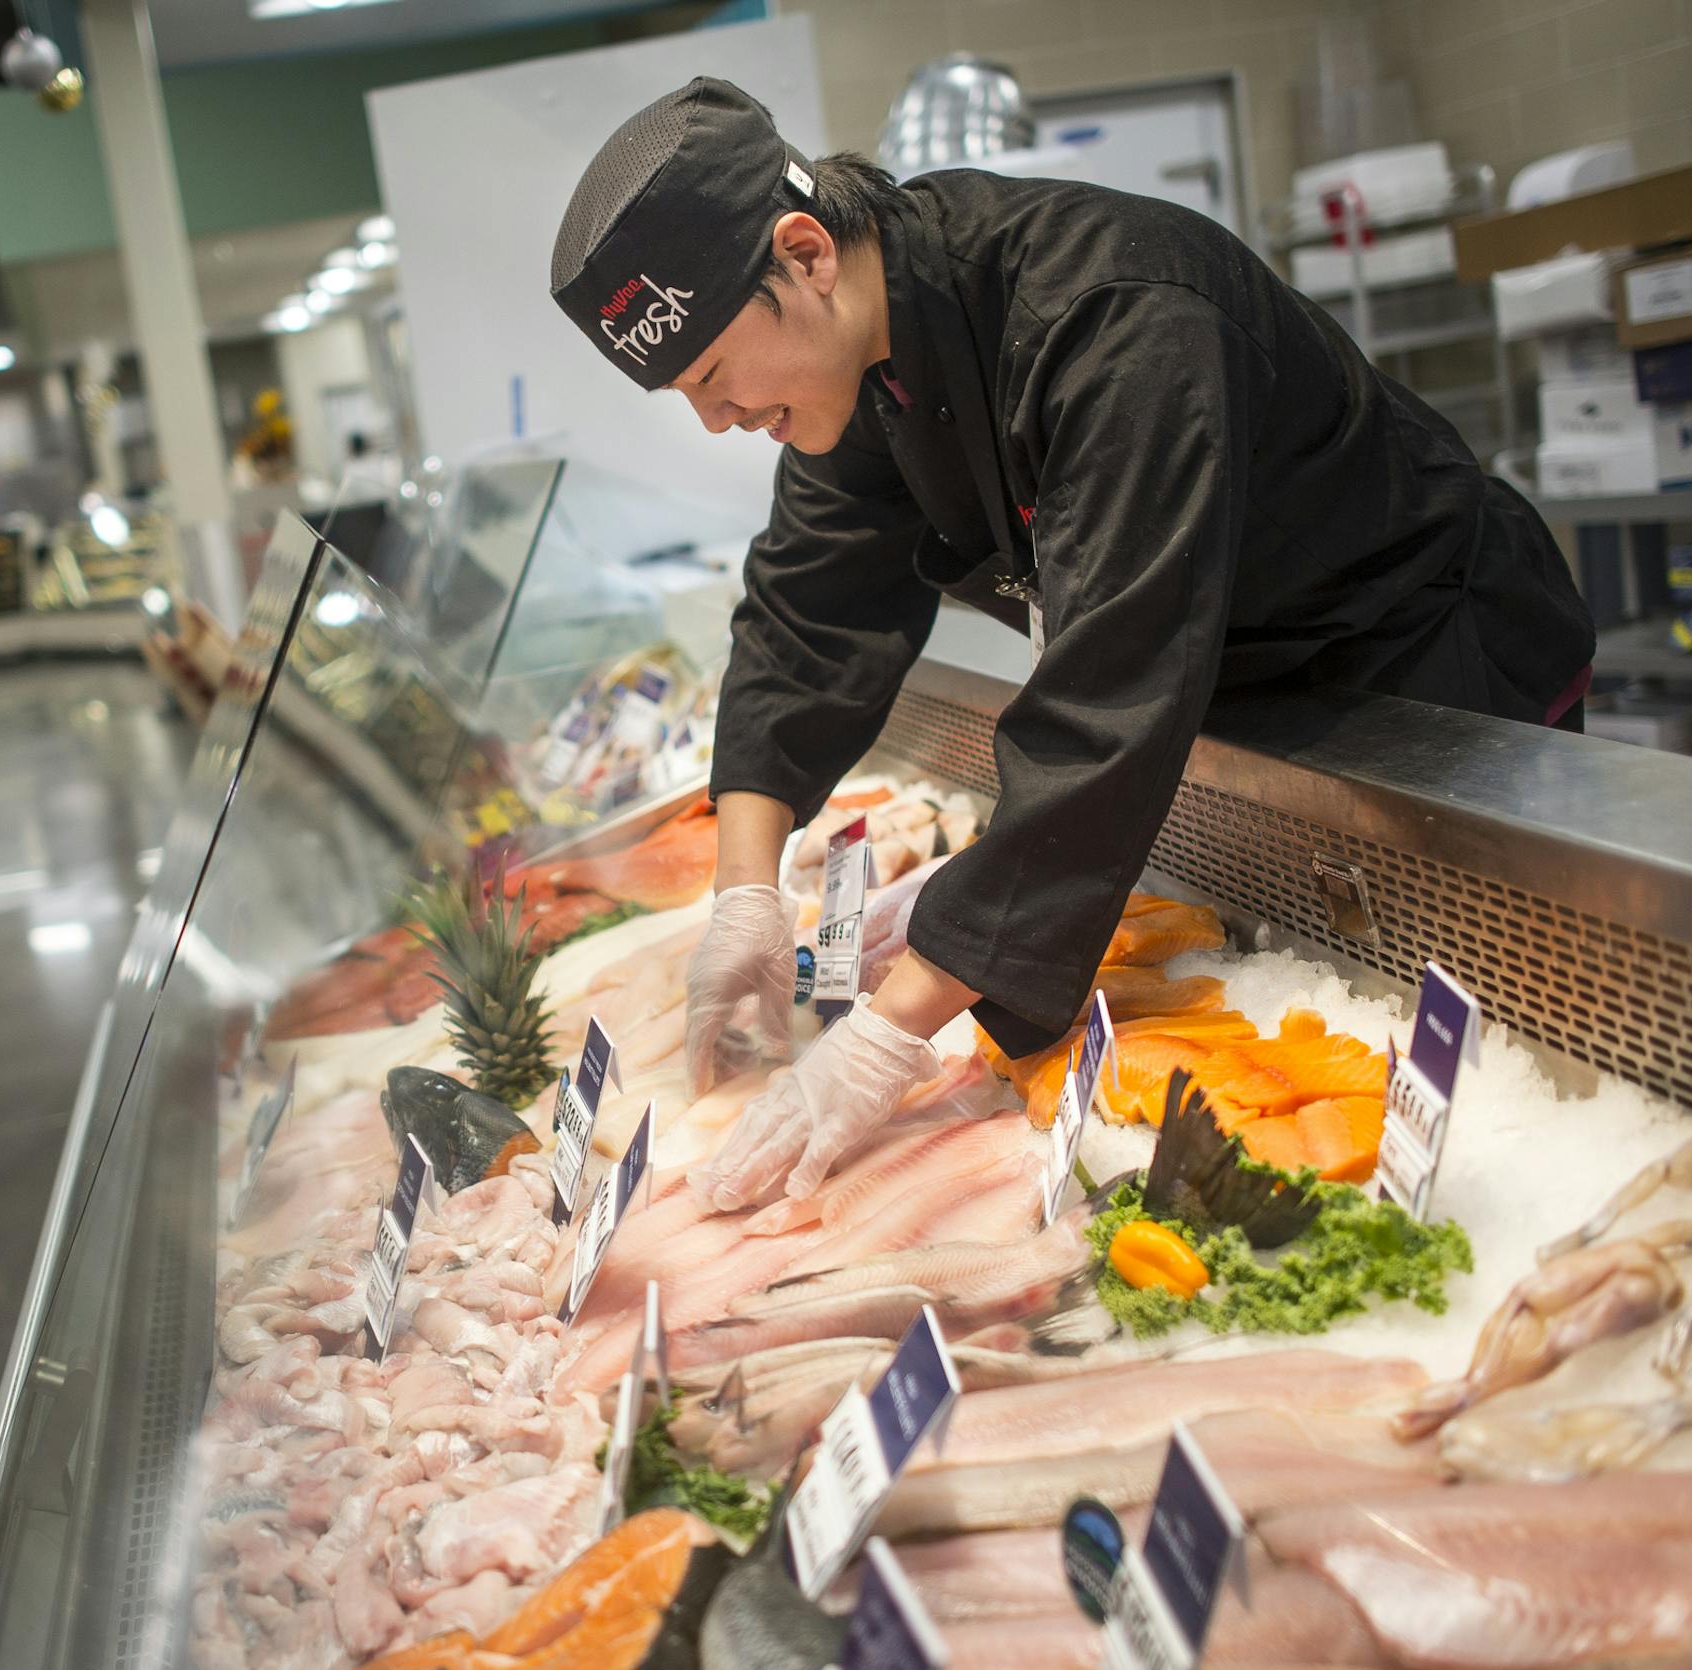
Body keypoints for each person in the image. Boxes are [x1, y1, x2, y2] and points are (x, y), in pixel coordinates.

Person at [548, 79, 1596, 1213]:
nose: (717, 419)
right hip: (1245, 704)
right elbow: (809, 610)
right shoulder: (869, 352)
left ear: (804, 252)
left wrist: (882, 1041)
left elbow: (1108, 690)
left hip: (1431, 682)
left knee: (1509, 1082)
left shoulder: (1114, 317)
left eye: (713, 374)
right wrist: (744, 891)